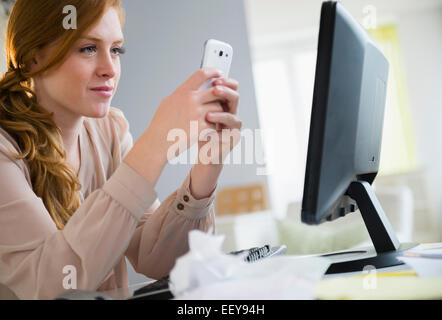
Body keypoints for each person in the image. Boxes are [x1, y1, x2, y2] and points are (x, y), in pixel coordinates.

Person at [0, 0, 241, 299]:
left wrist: (206, 167)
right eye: (88, 48)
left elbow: (157, 258)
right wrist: (155, 145)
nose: (109, 69)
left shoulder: (110, 131)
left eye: (115, 50)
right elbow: (53, 286)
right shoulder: (4, 151)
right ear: (33, 56)